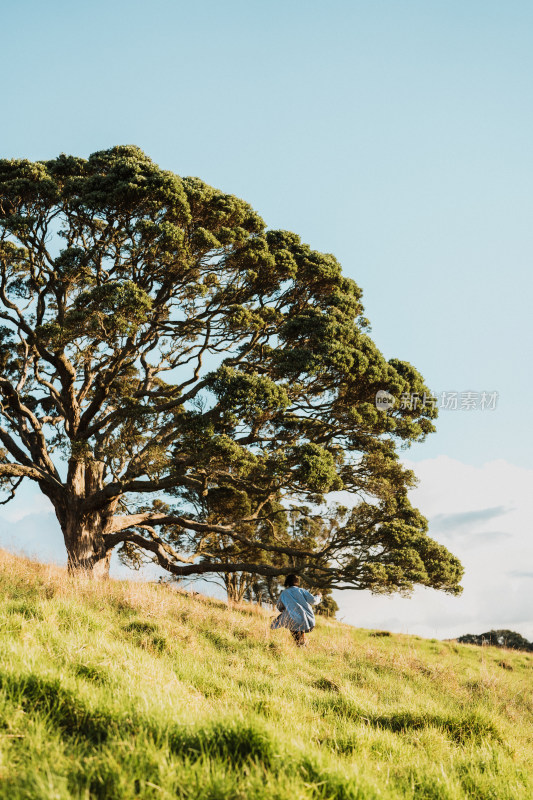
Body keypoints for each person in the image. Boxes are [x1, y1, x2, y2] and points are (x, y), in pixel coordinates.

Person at [271, 574, 321, 647]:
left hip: (291, 620)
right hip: (305, 620)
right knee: (301, 638)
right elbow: (314, 601)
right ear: (297, 582)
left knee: (297, 639)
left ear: (287, 582)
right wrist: (318, 596)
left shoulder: (284, 593)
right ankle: (304, 648)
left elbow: (279, 606)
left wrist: (285, 609)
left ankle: (301, 648)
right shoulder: (301, 591)